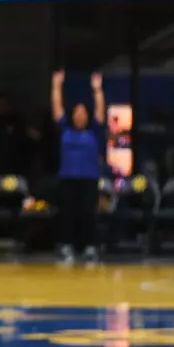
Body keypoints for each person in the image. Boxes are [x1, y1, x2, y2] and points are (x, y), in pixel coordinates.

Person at [52, 70, 107, 262]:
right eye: (77, 112)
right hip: (67, 178)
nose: (80, 116)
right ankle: (66, 246)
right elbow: (57, 108)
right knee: (67, 214)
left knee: (87, 213)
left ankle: (89, 246)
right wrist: (57, 86)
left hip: (88, 179)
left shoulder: (94, 132)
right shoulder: (65, 130)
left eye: (83, 113)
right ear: (72, 115)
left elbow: (100, 110)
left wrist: (97, 90)